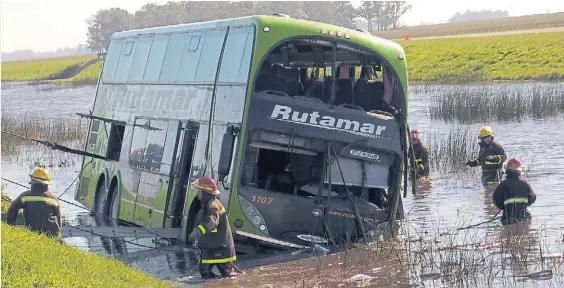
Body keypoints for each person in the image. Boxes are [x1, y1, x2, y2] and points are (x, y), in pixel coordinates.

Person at [188, 177, 236, 279]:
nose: (197, 193)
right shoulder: (208, 204)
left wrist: (197, 232)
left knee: (228, 277)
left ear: (205, 192)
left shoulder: (213, 205)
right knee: (204, 272)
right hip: (211, 247)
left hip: (221, 248)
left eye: (199, 190)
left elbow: (211, 222)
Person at [6, 167, 63, 243]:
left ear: (32, 181)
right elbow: (59, 217)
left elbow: (12, 210)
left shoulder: (25, 196)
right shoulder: (53, 198)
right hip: (53, 235)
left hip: (34, 233)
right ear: (47, 184)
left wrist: (11, 225)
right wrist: (59, 233)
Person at [492, 158, 536, 225]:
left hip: (507, 219)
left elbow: (496, 200)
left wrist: (505, 207)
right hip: (523, 218)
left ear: (507, 170)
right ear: (519, 171)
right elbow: (532, 199)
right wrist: (524, 204)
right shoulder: (525, 184)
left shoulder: (503, 184)